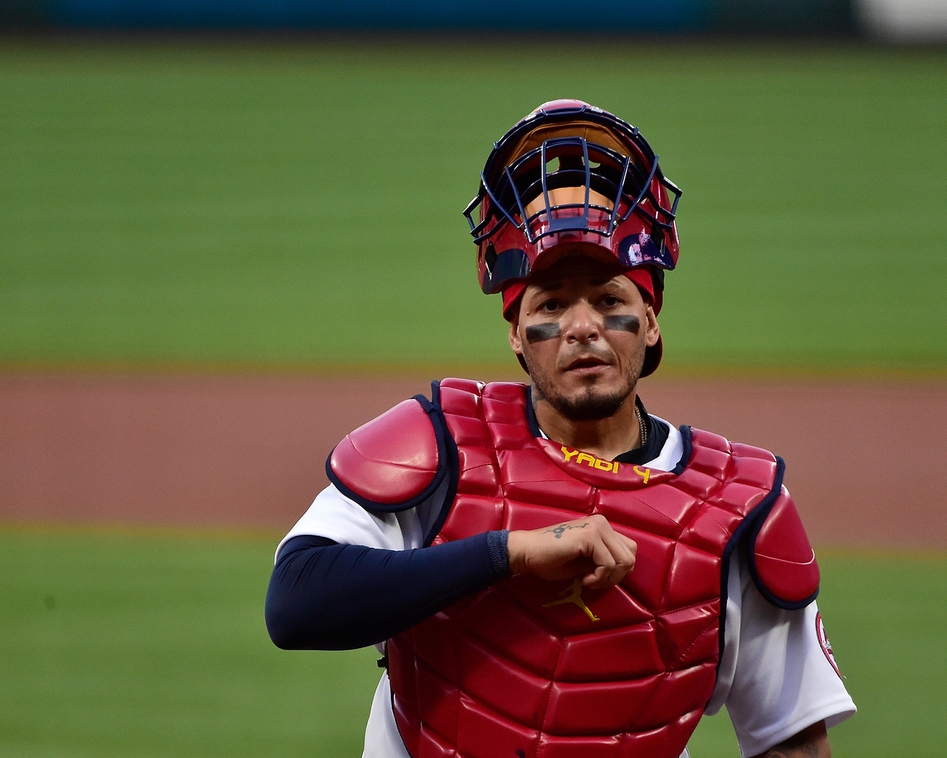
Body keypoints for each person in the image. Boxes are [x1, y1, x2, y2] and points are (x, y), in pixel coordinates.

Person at [266, 99, 855, 758]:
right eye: (551, 305)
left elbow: (793, 744)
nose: (582, 328)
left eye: (610, 300)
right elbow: (294, 604)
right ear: (516, 333)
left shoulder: (735, 510)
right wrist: (511, 552)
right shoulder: (438, 450)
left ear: (652, 320)